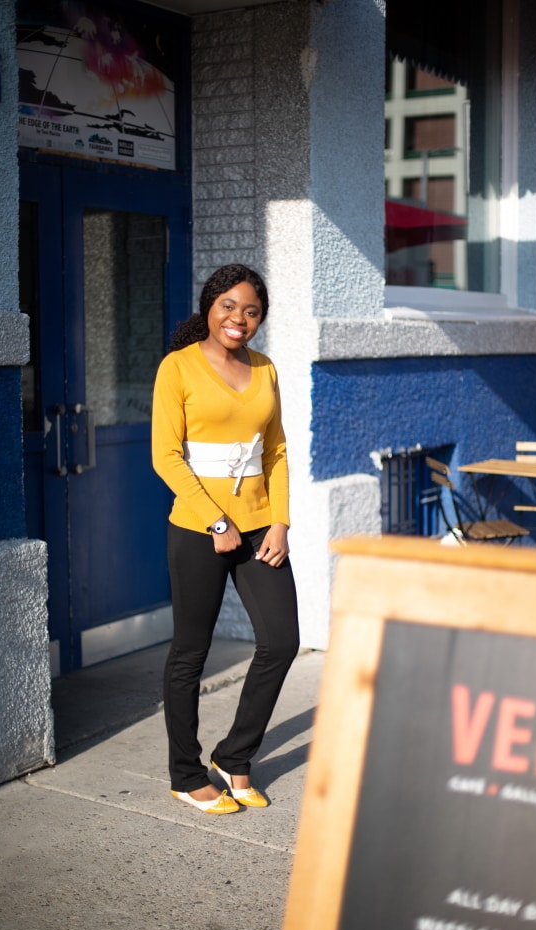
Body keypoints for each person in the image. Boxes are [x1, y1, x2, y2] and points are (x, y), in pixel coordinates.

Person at [151, 263, 300, 815]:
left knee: (281, 641)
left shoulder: (265, 369)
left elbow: (277, 449)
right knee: (191, 652)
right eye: (229, 306)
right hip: (198, 528)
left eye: (252, 310)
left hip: (261, 524)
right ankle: (186, 774)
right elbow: (165, 455)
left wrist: (280, 520)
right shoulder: (179, 368)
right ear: (209, 306)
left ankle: (235, 758)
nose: (239, 318)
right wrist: (217, 522)